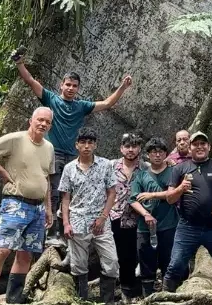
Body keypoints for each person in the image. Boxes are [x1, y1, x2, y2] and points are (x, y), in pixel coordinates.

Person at [13, 53, 132, 240]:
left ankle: (65, 232)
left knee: (69, 194)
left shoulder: (81, 106)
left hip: (73, 157)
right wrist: (19, 63)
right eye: (68, 84)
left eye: (74, 86)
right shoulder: (51, 99)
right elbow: (30, 81)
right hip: (53, 154)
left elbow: (107, 103)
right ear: (61, 85)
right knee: (52, 192)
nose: (70, 88)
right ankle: (51, 233)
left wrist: (123, 87)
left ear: (78, 88)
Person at [0, 107, 55, 303]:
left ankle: (14, 298)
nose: (43, 124)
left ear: (50, 126)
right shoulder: (16, 139)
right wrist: (3, 172)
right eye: (40, 120)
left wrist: (48, 209)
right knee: (3, 249)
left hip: (38, 207)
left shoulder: (49, 147)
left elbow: (46, 178)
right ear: (31, 120)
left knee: (26, 253)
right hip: (16, 203)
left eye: (47, 122)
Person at [161, 132, 212, 301]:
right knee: (175, 266)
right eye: (196, 144)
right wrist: (180, 189)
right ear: (190, 147)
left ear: (209, 147)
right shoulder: (180, 169)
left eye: (203, 144)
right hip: (188, 227)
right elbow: (170, 199)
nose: (199, 147)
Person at [58, 128, 119, 304]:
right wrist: (66, 223)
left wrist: (103, 217)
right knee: (78, 265)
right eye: (83, 142)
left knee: (111, 261)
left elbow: (112, 193)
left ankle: (107, 303)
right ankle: (82, 302)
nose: (86, 146)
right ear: (77, 145)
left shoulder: (105, 165)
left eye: (90, 142)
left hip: (101, 221)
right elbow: (65, 198)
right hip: (77, 220)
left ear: (95, 145)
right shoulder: (69, 168)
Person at [129, 137, 178, 297]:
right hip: (145, 227)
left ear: (166, 154)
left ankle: (169, 297)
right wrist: (145, 214)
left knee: (169, 263)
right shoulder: (141, 175)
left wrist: (152, 195)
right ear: (148, 155)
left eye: (161, 152)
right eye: (154, 152)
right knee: (146, 264)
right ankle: (148, 299)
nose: (157, 155)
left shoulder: (173, 172)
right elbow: (133, 199)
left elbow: (174, 194)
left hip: (169, 224)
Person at [109, 133, 144, 300]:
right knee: (116, 254)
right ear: (121, 148)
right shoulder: (111, 166)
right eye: (127, 146)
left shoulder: (145, 168)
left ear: (139, 148)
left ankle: (132, 290)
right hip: (114, 215)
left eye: (134, 146)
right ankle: (120, 290)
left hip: (137, 217)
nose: (131, 150)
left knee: (134, 254)